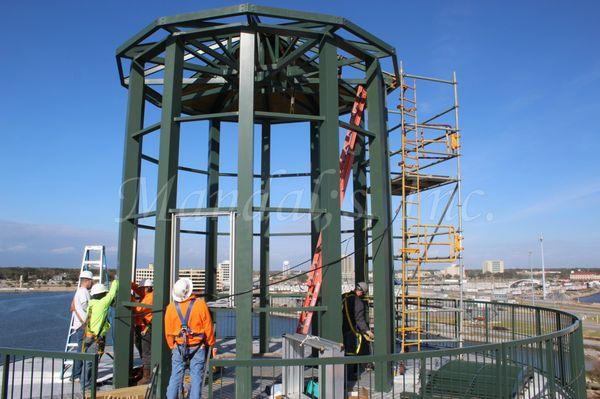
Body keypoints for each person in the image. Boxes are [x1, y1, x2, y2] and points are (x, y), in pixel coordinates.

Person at [165, 278, 215, 399]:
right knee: (196, 376)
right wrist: (210, 344)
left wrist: (173, 346)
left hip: (179, 345)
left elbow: (168, 332)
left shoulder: (171, 308)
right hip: (198, 346)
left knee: (175, 376)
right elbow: (208, 327)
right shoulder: (200, 304)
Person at [81, 278, 119, 392]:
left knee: (88, 362)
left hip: (88, 337)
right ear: (102, 294)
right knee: (91, 363)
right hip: (96, 339)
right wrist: (116, 280)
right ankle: (87, 387)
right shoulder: (102, 303)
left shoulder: (92, 304)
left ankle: (88, 384)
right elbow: (112, 293)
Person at [342, 282, 374, 381]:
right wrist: (367, 331)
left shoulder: (345, 296)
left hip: (342, 327)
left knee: (345, 350)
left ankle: (346, 372)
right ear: (361, 292)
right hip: (351, 330)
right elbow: (359, 319)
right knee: (351, 351)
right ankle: (350, 375)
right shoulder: (358, 302)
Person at [69, 270, 94, 381]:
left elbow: (73, 307)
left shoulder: (79, 291)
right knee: (82, 350)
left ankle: (76, 374)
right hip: (83, 325)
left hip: (80, 325)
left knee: (81, 349)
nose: (92, 283)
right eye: (91, 281)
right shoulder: (83, 292)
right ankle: (76, 375)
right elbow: (86, 306)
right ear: (87, 281)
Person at [131, 278, 154, 384]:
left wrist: (130, 298)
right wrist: (129, 283)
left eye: (142, 288)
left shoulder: (150, 297)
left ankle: (147, 375)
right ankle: (146, 368)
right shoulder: (145, 294)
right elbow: (137, 289)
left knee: (146, 352)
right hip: (141, 327)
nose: (141, 291)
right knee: (142, 349)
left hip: (146, 329)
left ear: (148, 288)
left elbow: (138, 309)